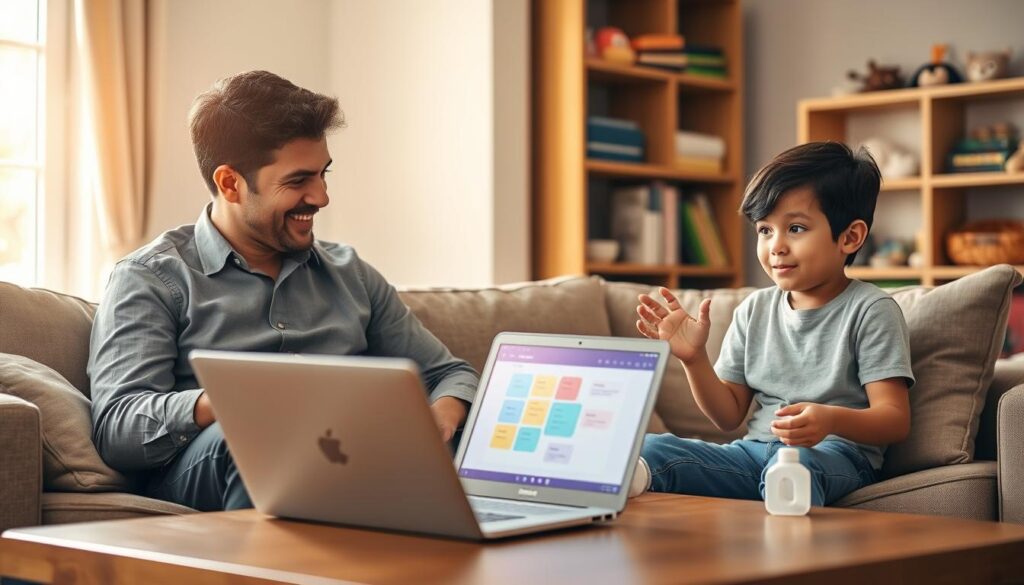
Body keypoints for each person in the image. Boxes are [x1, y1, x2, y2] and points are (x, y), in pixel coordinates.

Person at [88, 70, 479, 512]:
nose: (322, 197)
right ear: (230, 183)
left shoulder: (350, 273)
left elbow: (449, 374)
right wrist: (228, 399)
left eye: (323, 175)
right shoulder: (152, 278)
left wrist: (440, 419)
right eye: (298, 182)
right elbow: (117, 427)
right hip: (211, 462)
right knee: (257, 438)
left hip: (347, 452)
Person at [629, 142, 914, 506]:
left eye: (795, 228)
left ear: (850, 237)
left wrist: (829, 420)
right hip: (753, 454)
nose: (775, 246)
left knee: (796, 467)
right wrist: (693, 359)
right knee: (653, 447)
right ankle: (614, 495)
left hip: (834, 457)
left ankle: (782, 550)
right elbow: (728, 415)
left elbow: (894, 419)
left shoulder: (871, 309)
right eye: (765, 230)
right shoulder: (754, 309)